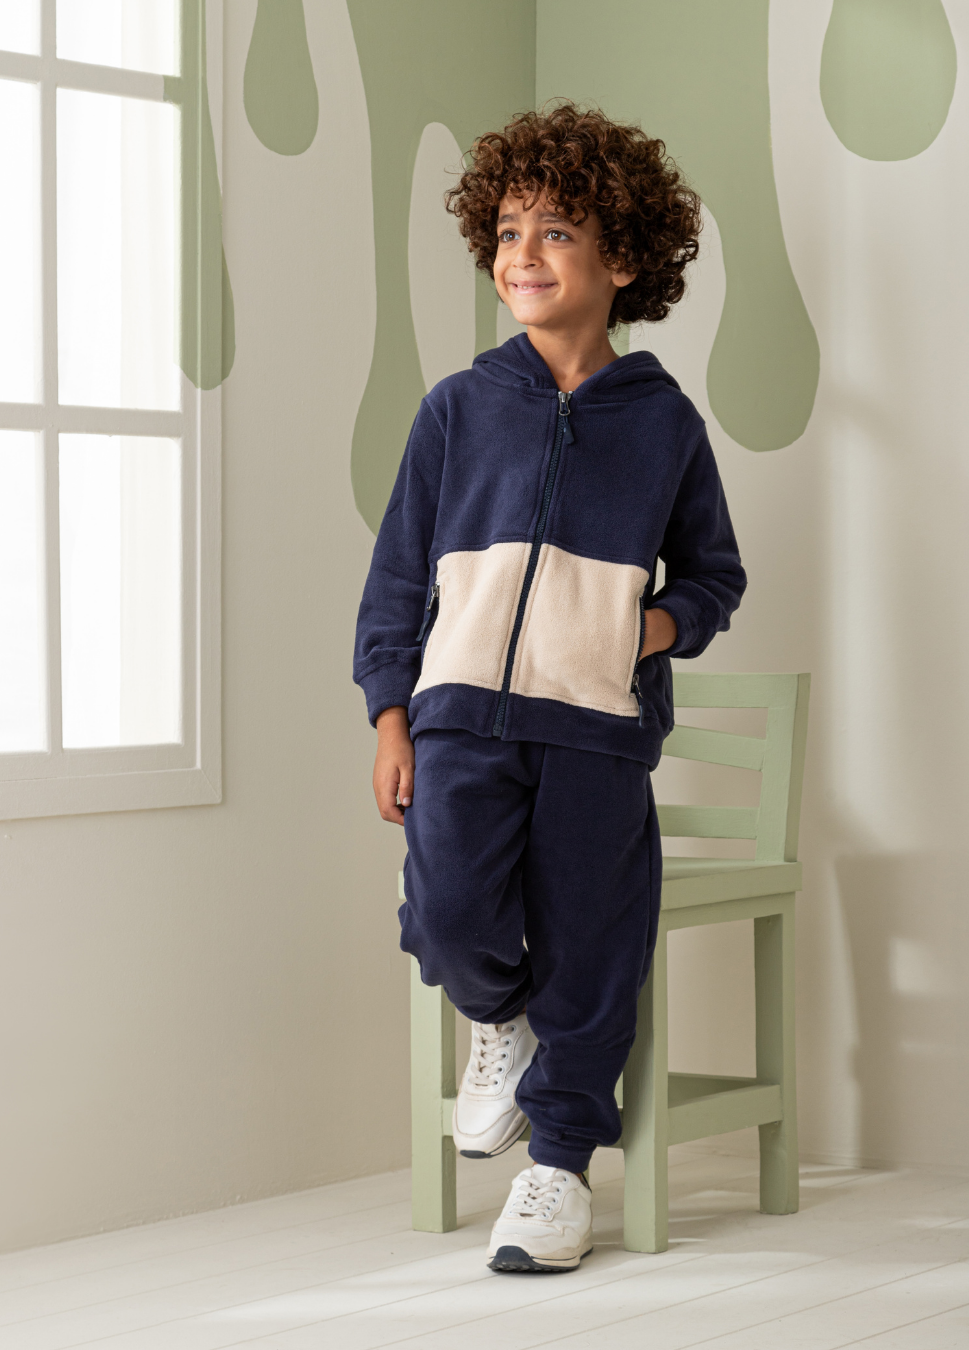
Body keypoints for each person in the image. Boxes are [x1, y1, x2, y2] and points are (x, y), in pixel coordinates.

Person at [353, 103, 746, 1273]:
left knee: (592, 942)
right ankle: (501, 1019)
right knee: (448, 913)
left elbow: (715, 576)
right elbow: (395, 582)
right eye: (509, 230)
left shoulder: (664, 425)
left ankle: (559, 1172)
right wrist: (390, 714)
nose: (523, 253)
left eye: (557, 231)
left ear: (622, 260)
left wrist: (649, 627)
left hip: (597, 729)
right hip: (458, 717)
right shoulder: (458, 409)